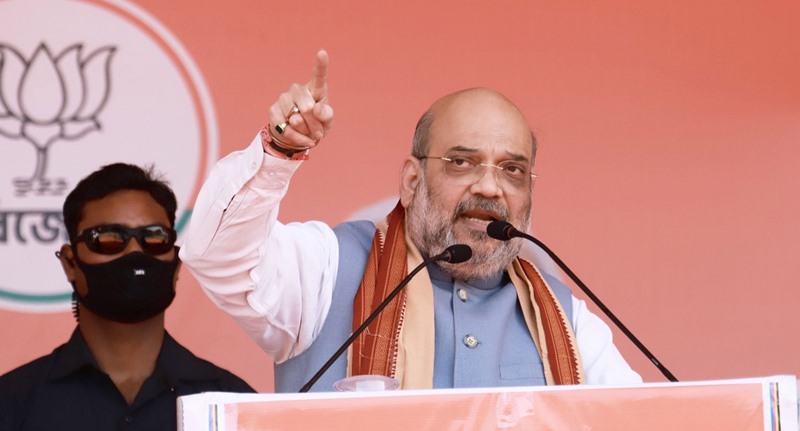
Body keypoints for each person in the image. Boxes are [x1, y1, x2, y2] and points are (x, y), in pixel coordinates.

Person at [181, 50, 642, 392]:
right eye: (462, 162)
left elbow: (643, 417)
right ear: (411, 181)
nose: (489, 186)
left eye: (512, 170)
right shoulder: (329, 270)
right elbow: (216, 255)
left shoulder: (566, 320)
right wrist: (279, 152)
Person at [0, 163, 254, 431]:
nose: (135, 253)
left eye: (154, 238)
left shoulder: (234, 406)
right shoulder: (11, 403)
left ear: (177, 265)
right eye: (109, 238)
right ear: (70, 263)